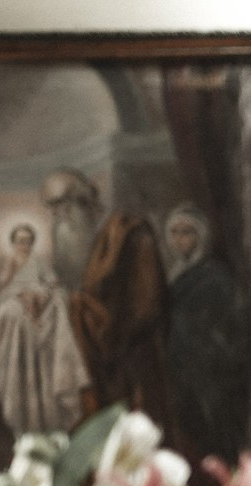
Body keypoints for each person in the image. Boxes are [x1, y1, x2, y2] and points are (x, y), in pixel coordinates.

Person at [41, 167, 169, 421]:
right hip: (97, 359)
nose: (55, 216)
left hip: (131, 362)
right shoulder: (87, 241)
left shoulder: (130, 232)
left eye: (60, 206)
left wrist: (83, 312)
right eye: (51, 209)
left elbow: (145, 304)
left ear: (82, 203)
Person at [160, 204, 251, 465]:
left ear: (201, 236)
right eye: (174, 233)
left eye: (187, 232)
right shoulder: (175, 274)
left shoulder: (216, 277)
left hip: (211, 377)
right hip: (181, 371)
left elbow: (227, 330)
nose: (180, 240)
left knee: (212, 436)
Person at [0, 220, 91, 437]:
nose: (24, 245)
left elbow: (52, 281)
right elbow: (4, 283)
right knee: (14, 312)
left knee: (51, 302)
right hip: (16, 295)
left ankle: (50, 415)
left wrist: (45, 289)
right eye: (20, 241)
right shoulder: (12, 260)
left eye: (28, 241)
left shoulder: (38, 261)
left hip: (38, 294)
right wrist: (13, 269)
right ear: (13, 243)